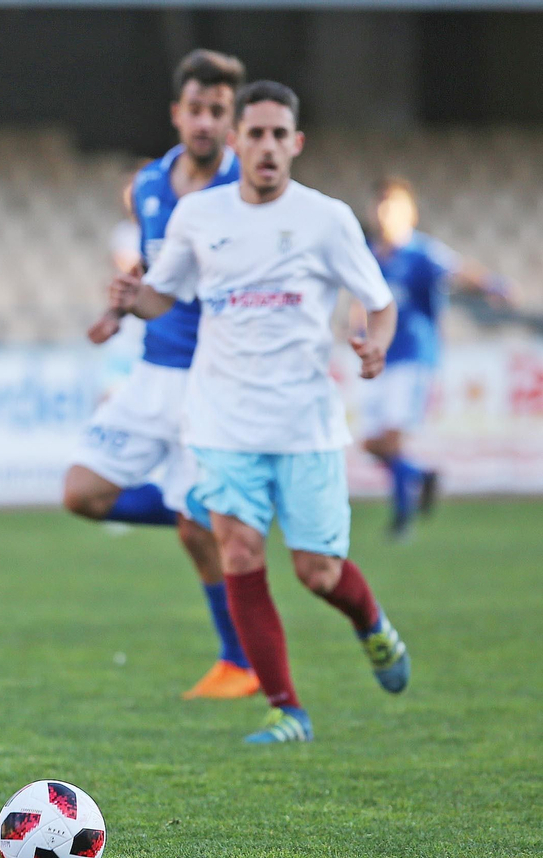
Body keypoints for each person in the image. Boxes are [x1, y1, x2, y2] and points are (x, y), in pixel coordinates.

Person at [108, 81, 411, 744]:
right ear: (236, 143)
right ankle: (287, 710)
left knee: (316, 572)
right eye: (257, 134)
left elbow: (378, 302)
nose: (268, 146)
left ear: (296, 144)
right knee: (240, 551)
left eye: (280, 135)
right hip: (221, 420)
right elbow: (165, 297)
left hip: (305, 424)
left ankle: (371, 623)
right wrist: (134, 299)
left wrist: (375, 347)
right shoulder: (197, 217)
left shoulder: (326, 219)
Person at [67, 49, 257, 701]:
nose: (205, 122)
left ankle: (238, 662)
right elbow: (156, 274)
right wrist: (118, 312)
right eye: (196, 109)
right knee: (82, 493)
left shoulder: (245, 194)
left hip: (211, 380)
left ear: (231, 122)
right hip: (153, 371)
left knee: (194, 534)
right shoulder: (150, 184)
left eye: (218, 112)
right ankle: (209, 511)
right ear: (177, 113)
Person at [363, 177, 509, 539]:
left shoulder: (421, 252)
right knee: (369, 443)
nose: (385, 213)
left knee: (392, 440)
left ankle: (402, 520)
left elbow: (458, 270)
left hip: (413, 355)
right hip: (381, 357)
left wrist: (493, 286)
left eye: (393, 206)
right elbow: (362, 300)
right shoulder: (369, 255)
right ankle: (421, 477)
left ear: (409, 213)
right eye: (380, 205)